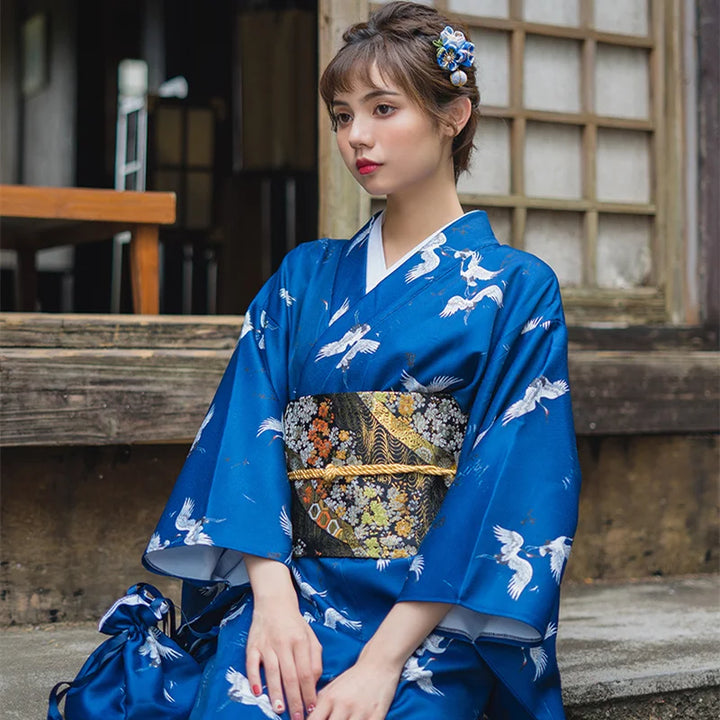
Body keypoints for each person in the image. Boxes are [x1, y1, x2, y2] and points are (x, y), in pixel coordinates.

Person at [143, 2, 580, 719]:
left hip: (432, 614)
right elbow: (248, 437)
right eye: (343, 115)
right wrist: (273, 604)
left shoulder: (515, 289)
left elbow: (506, 482)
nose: (357, 137)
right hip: (291, 591)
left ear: (454, 115)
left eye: (383, 109)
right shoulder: (303, 277)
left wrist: (382, 663)